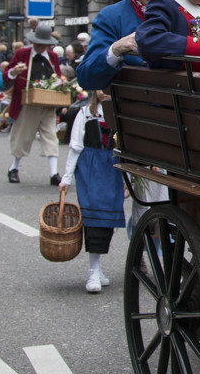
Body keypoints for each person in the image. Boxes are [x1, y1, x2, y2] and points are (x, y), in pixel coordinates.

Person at [76, 0, 173, 91]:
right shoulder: (111, 17)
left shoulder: (179, 13)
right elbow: (86, 78)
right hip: (132, 108)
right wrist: (115, 49)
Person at [60, 89, 125, 294]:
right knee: (94, 216)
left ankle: (97, 267)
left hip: (111, 168)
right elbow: (75, 146)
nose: (104, 92)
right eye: (100, 89)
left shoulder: (120, 111)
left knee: (108, 219)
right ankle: (93, 269)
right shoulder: (86, 113)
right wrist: (66, 177)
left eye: (107, 88)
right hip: (90, 167)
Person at [5, 22, 64, 185]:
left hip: (47, 103)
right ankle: (13, 168)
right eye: (38, 44)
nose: (41, 47)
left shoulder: (52, 57)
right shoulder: (22, 54)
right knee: (23, 136)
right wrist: (14, 72)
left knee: (51, 136)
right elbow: (6, 75)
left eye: (44, 45)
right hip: (27, 102)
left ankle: (54, 173)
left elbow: (58, 77)